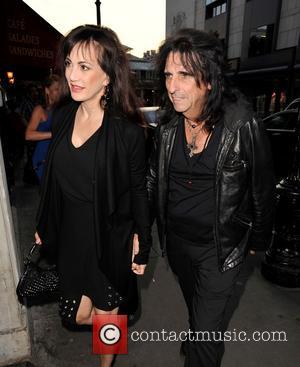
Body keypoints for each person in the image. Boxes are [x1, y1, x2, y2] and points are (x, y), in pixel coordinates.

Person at [147, 28, 275, 367]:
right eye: (168, 75)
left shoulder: (242, 125)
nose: (172, 86)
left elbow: (262, 188)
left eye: (184, 75)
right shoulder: (167, 127)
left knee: (204, 335)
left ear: (208, 79)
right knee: (199, 313)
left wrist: (257, 242)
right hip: (177, 245)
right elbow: (153, 181)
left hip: (220, 250)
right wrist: (135, 228)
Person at [34, 25, 152, 367]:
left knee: (106, 317)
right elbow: (52, 180)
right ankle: (113, 325)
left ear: (107, 77)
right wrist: (45, 221)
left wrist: (141, 242)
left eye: (84, 67)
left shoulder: (126, 133)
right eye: (69, 63)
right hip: (70, 237)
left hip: (107, 236)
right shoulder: (63, 116)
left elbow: (139, 191)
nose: (71, 74)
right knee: (74, 315)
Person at [25, 74, 62, 182]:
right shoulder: (40, 110)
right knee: (48, 192)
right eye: (56, 89)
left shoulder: (61, 109)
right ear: (47, 90)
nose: (59, 92)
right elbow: (28, 135)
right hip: (43, 157)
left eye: (61, 89)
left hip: (57, 156)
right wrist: (53, 134)